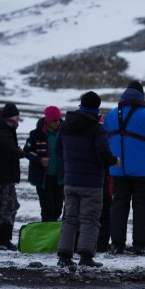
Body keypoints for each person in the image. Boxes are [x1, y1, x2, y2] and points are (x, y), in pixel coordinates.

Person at [103, 81, 145, 255]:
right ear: (141, 96)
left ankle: (117, 244)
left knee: (118, 205)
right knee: (142, 206)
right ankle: (139, 244)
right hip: (144, 171)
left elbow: (104, 140)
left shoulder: (111, 115)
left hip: (118, 169)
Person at [56, 92, 118, 268]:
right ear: (96, 108)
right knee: (89, 219)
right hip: (92, 183)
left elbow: (59, 150)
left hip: (71, 180)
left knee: (69, 218)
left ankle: (64, 256)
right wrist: (115, 161)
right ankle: (85, 256)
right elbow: (104, 155)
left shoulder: (65, 125)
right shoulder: (98, 129)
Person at [0, 103, 25, 250]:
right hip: (2, 178)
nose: (19, 118)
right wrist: (23, 152)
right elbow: (11, 152)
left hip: (6, 177)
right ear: (12, 116)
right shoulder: (5, 131)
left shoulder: (6, 130)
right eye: (17, 115)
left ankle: (4, 239)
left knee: (11, 206)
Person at [24, 106, 65, 221]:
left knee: (58, 208)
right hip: (43, 178)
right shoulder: (35, 134)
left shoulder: (63, 134)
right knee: (48, 208)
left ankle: (51, 233)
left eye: (59, 120)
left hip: (59, 178)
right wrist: (39, 159)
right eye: (55, 120)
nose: (58, 122)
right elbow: (26, 151)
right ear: (48, 121)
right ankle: (46, 235)